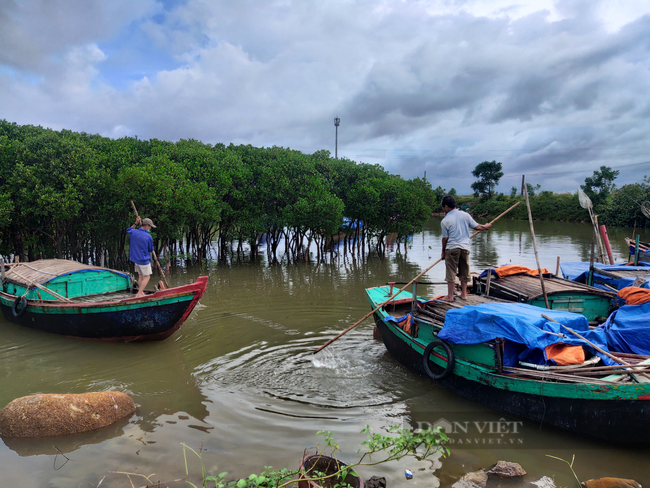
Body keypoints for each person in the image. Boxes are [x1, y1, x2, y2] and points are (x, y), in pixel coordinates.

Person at [440, 195, 491, 301]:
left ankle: (449, 296)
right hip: (464, 248)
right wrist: (485, 227)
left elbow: (445, 239)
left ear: (446, 206)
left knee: (451, 272)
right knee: (464, 271)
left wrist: (443, 252)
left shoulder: (445, 221)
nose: (443, 210)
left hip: (452, 248)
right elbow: (477, 226)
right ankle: (464, 294)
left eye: (443, 208)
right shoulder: (465, 215)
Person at [126, 216, 156, 298]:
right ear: (146, 226)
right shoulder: (148, 236)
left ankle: (141, 291)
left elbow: (128, 229)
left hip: (135, 259)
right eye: (150, 227)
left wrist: (135, 223)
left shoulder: (133, 232)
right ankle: (139, 293)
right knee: (147, 276)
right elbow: (150, 249)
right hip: (143, 259)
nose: (150, 228)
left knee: (141, 276)